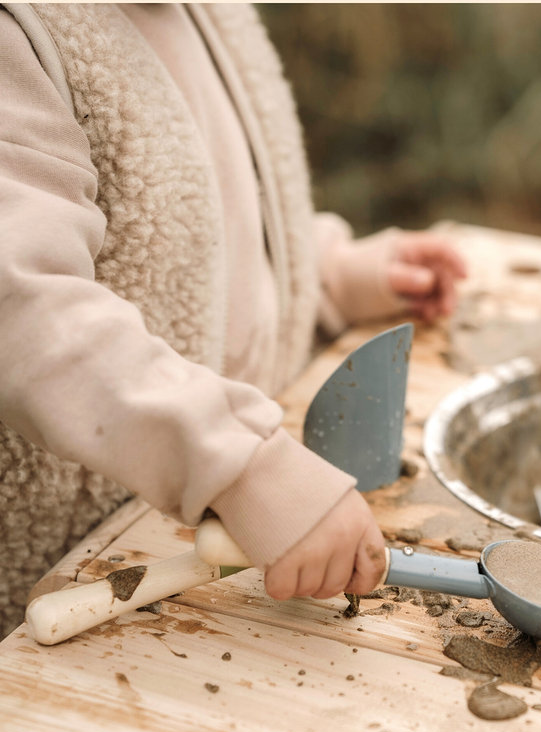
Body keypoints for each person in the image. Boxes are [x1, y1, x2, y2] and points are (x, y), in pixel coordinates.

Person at [0, 3, 467, 638]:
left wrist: (326, 277)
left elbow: (209, 212)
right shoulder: (17, 37)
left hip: (222, 514)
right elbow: (25, 313)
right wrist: (240, 465)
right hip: (77, 566)